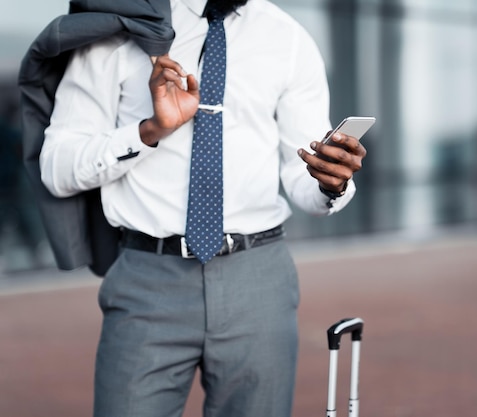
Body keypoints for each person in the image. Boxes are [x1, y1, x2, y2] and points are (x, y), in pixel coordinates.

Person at [39, 0, 367, 416]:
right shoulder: (120, 31)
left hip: (258, 280)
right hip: (148, 282)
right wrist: (149, 130)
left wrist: (330, 182)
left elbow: (302, 176)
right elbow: (57, 168)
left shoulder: (287, 38)